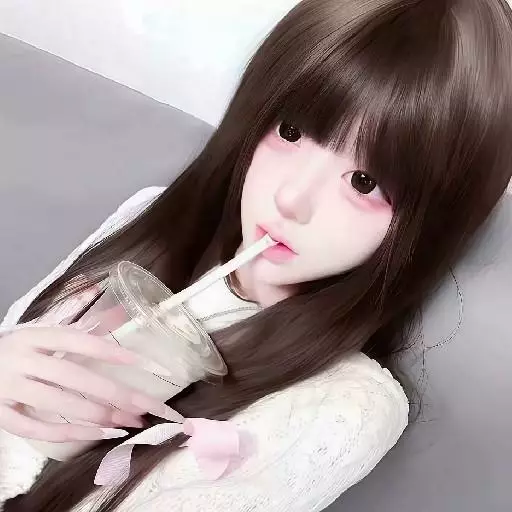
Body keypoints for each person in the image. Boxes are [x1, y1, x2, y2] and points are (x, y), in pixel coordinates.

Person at [1, 0, 512, 510]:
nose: (291, 198)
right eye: (290, 132)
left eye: (363, 182)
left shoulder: (343, 405)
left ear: (430, 224)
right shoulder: (149, 223)